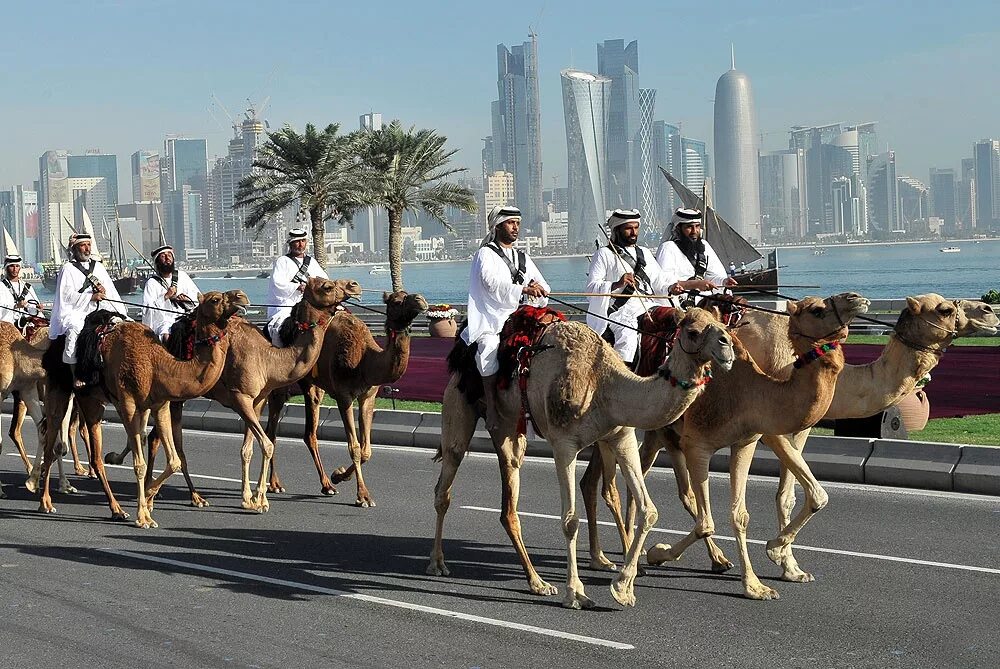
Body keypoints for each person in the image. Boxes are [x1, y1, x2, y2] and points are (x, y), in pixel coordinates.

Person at [462, 205, 549, 430]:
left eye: (518, 223)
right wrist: (523, 290)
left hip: (520, 314)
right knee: (489, 348)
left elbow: (543, 285)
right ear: (497, 226)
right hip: (493, 318)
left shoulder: (523, 256)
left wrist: (538, 288)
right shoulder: (485, 253)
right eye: (511, 223)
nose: (515, 227)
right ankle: (491, 406)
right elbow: (491, 283)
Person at [586, 208, 673, 366]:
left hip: (648, 306)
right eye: (628, 228)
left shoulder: (645, 253)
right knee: (628, 337)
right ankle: (624, 374)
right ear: (617, 230)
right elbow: (591, 288)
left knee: (676, 320)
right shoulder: (604, 254)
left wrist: (673, 288)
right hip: (620, 312)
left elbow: (660, 282)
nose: (633, 232)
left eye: (636, 227)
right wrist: (617, 284)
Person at [48, 233, 127, 387]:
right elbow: (66, 295)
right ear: (75, 248)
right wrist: (90, 297)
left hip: (100, 309)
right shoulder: (68, 268)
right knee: (74, 330)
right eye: (83, 245)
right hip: (77, 311)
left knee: (119, 324)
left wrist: (104, 292)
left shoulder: (98, 266)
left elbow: (110, 290)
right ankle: (76, 374)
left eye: (89, 245)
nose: (87, 249)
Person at [656, 208, 738, 302]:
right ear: (679, 229)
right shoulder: (668, 248)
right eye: (689, 227)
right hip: (683, 302)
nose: (694, 231)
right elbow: (665, 283)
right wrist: (695, 284)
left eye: (697, 226)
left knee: (738, 303)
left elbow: (713, 276)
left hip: (708, 299)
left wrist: (724, 281)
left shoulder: (704, 246)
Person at [266, 227, 329, 346]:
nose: (300, 245)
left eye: (303, 241)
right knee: (281, 328)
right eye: (297, 241)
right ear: (291, 244)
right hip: (286, 306)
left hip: (309, 305)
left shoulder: (312, 262)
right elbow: (277, 284)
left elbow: (324, 280)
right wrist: (297, 287)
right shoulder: (282, 261)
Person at [142, 244, 201, 342]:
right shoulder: (152, 283)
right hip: (164, 320)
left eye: (169, 255)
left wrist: (187, 299)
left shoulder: (182, 276)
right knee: (167, 335)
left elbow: (197, 298)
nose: (167, 258)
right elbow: (147, 309)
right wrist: (165, 297)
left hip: (185, 315)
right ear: (157, 261)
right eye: (163, 256)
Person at [0, 252, 41, 326]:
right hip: (7, 325)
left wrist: (37, 308)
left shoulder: (27, 287)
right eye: (12, 266)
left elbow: (32, 310)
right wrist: (15, 306)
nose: (15, 269)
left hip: (26, 324)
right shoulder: (1, 287)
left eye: (17, 266)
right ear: (6, 268)